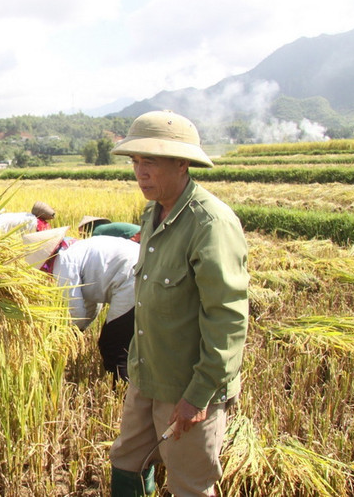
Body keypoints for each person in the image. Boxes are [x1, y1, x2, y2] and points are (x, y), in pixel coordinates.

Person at [107, 110, 249, 496]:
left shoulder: (210, 224)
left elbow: (228, 319)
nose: (140, 172)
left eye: (149, 161)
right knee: (126, 462)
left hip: (187, 388)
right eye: (135, 161)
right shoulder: (152, 214)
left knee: (189, 485)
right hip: (147, 376)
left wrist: (198, 394)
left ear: (182, 163)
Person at [23, 227, 139, 383]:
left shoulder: (62, 262)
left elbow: (75, 309)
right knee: (123, 341)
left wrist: (68, 336)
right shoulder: (74, 250)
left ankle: (125, 396)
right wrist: (80, 330)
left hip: (132, 278)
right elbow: (90, 301)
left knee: (113, 347)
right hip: (138, 269)